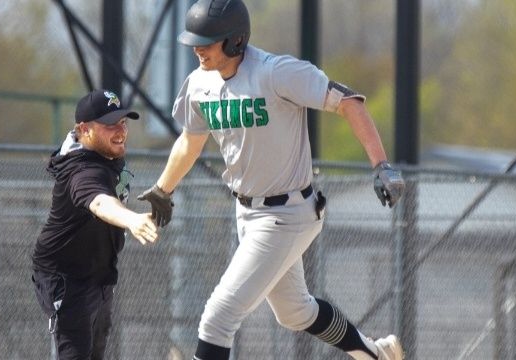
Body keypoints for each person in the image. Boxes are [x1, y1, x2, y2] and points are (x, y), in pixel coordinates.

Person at [136, 1, 407, 359]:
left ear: (235, 41)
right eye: (195, 41)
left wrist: (381, 165)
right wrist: (163, 189)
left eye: (208, 41)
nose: (197, 48)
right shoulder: (199, 84)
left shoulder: (276, 72)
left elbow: (349, 103)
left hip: (288, 212)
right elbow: (190, 140)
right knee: (295, 312)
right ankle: (375, 354)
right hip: (246, 212)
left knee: (218, 317)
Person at [32, 89, 160, 360]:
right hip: (65, 277)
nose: (121, 131)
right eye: (110, 124)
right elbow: (100, 202)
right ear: (84, 130)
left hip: (99, 271)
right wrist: (132, 218)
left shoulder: (106, 154)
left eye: (123, 122)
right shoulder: (81, 171)